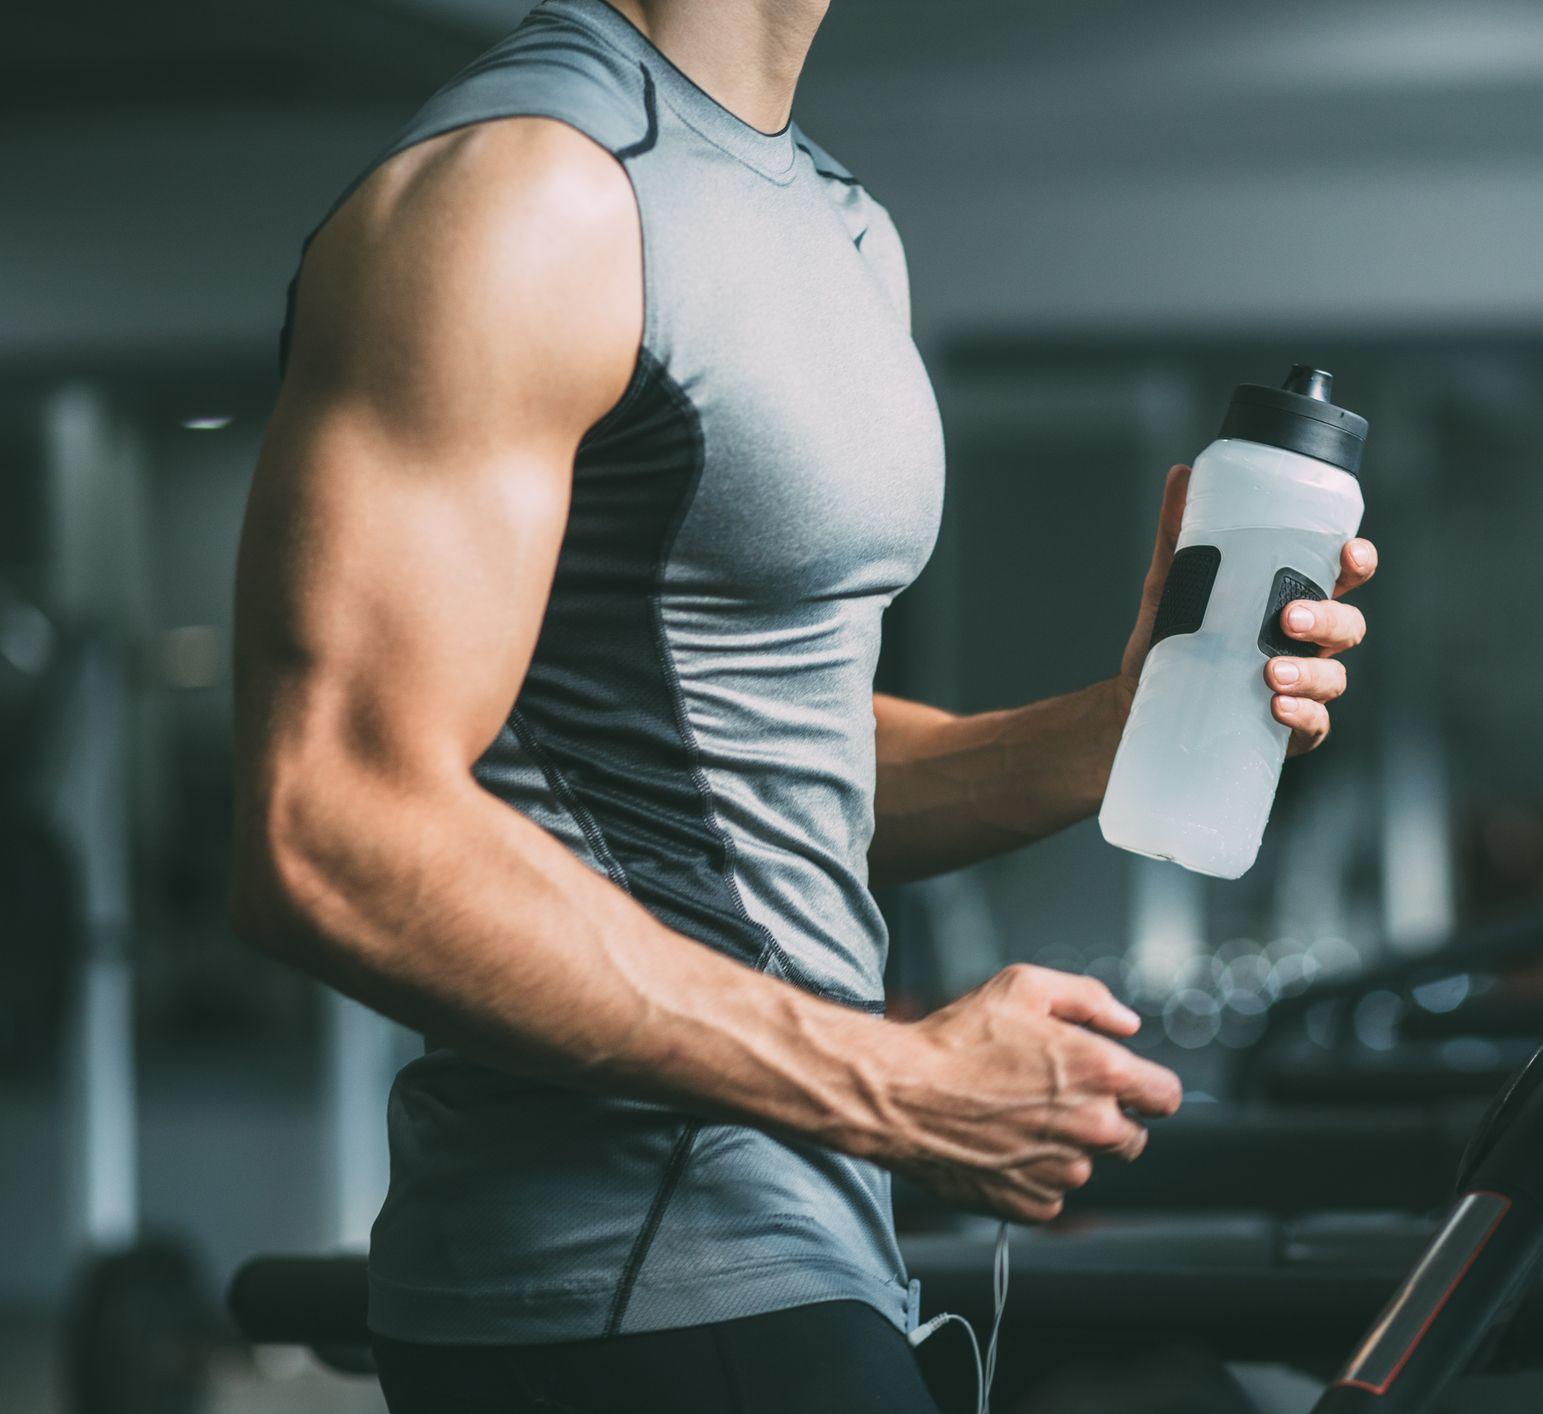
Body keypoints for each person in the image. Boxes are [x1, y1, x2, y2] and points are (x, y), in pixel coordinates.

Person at [228, 0, 1378, 1409]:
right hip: (619, 1287)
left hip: (808, 1253)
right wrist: (897, 1083)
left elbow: (766, 765)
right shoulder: (524, 192)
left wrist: (1119, 724)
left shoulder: (837, 225)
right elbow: (330, 826)